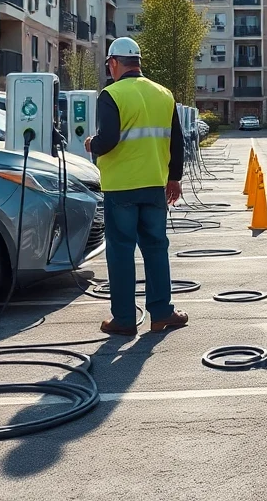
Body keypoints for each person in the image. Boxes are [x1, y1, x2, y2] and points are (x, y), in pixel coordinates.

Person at [85, 37, 190, 336]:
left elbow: (108, 139)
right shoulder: (164, 94)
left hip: (121, 187)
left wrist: (92, 144)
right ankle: (162, 313)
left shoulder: (112, 94)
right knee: (156, 248)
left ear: (114, 63)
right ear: (138, 63)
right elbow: (176, 141)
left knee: (121, 251)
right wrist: (174, 178)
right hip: (155, 184)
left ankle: (124, 319)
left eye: (109, 65)